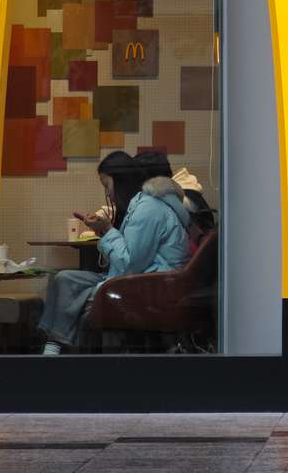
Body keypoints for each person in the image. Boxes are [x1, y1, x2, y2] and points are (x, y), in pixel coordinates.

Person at [38, 150, 191, 354]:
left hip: (149, 284)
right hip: (141, 278)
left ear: (120, 181)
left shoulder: (148, 209)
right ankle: (56, 342)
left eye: (107, 186)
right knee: (63, 279)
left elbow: (130, 264)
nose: (108, 194)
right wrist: (104, 231)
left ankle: (57, 345)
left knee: (71, 290)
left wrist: (108, 231)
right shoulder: (141, 205)